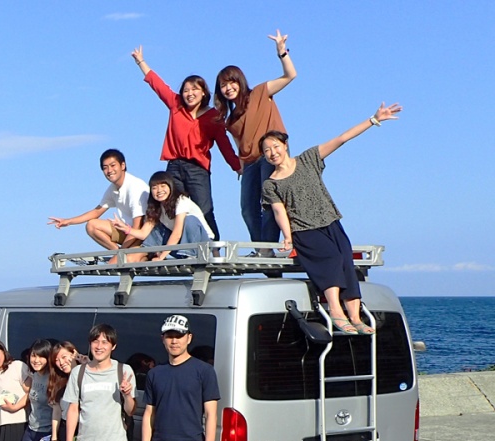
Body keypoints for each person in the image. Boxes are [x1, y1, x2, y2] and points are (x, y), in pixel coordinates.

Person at [260, 102, 402, 335]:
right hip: (304, 230)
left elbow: (342, 138)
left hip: (331, 222)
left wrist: (374, 119)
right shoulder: (271, 184)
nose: (272, 153)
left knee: (346, 260)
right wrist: (287, 236)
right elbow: (279, 211)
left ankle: (355, 316)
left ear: (285, 145)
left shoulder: (308, 159)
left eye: (275, 146)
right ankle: (336, 311)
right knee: (331, 260)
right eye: (267, 150)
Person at [131, 46, 241, 240]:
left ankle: (213, 250)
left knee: (204, 209)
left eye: (195, 89)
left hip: (197, 169)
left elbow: (225, 145)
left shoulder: (213, 117)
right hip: (174, 166)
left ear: (203, 92)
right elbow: (158, 85)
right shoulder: (176, 106)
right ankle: (172, 247)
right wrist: (141, 61)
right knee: (168, 207)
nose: (190, 93)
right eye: (186, 90)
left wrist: (237, 167)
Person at [214, 30, 296, 244]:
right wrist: (240, 167)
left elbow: (290, 75)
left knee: (269, 203)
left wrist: (282, 52)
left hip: (271, 156)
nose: (228, 88)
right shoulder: (230, 120)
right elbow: (240, 144)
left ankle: (267, 247)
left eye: (231, 82)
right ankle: (262, 247)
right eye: (223, 85)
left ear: (240, 81)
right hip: (249, 163)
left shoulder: (260, 92)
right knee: (248, 209)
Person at [47, 149, 149, 260]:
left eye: (113, 165)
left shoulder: (135, 187)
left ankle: (125, 255)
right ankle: (119, 253)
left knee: (116, 263)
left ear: (123, 165)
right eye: (105, 168)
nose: (109, 170)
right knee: (91, 225)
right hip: (127, 230)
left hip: (141, 235)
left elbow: (137, 226)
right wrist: (68, 221)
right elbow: (97, 211)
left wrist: (124, 248)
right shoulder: (113, 188)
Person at [111, 171, 214, 259]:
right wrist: (126, 229)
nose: (159, 191)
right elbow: (143, 233)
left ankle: (188, 256)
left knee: (189, 219)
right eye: (154, 188)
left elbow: (177, 233)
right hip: (181, 246)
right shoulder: (157, 208)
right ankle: (150, 253)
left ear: (170, 186)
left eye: (163, 186)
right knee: (156, 228)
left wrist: (161, 257)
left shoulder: (181, 201)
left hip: (201, 245)